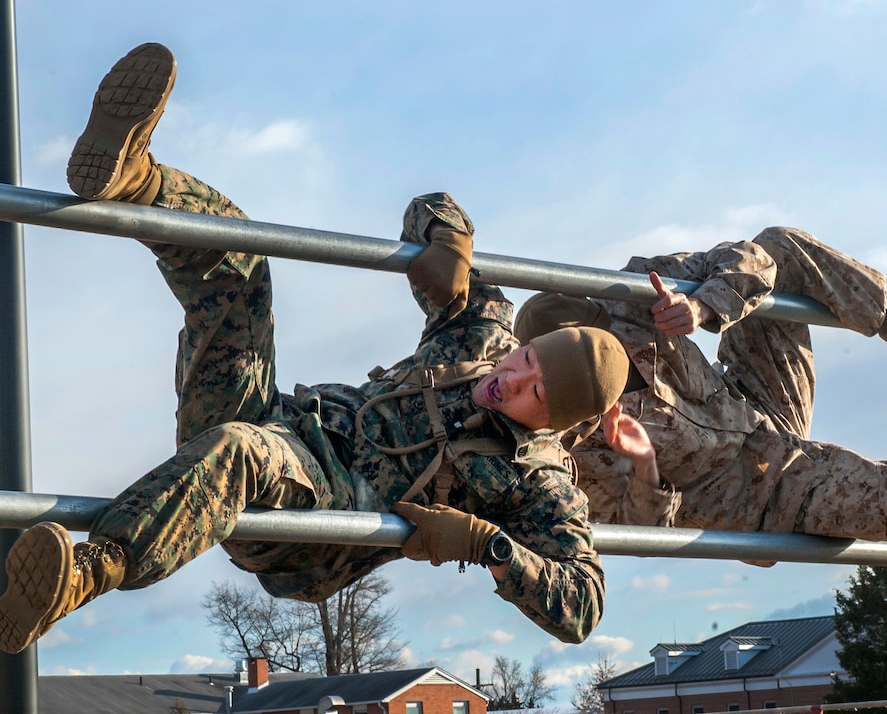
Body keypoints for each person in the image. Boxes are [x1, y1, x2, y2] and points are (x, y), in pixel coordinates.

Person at [0, 42, 631, 655]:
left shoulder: (539, 479)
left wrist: (487, 546)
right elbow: (429, 208)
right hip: (284, 420)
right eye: (525, 361)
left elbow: (582, 607)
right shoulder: (482, 338)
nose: (510, 380)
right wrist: (448, 241)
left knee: (241, 452)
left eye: (535, 392)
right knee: (244, 271)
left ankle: (87, 572)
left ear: (555, 420)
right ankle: (137, 180)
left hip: (311, 519)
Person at [513, 227, 887, 647]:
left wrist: (703, 306)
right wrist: (642, 465)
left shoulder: (629, 299)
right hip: (766, 494)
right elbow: (638, 530)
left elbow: (749, 259)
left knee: (779, 247)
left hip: (754, 407)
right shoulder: (570, 443)